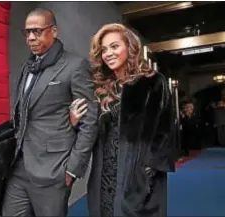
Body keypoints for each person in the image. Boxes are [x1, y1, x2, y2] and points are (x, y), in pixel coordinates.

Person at [69, 23, 175, 217]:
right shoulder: (101, 89)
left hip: (137, 174)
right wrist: (75, 122)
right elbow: (92, 132)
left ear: (130, 47)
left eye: (114, 46)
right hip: (104, 173)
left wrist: (147, 171)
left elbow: (165, 130)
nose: (108, 53)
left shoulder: (152, 83)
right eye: (104, 50)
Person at [2, 8, 98, 216]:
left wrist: (73, 168)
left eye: (37, 31)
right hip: (19, 167)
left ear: (53, 31)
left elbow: (90, 121)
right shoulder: (27, 67)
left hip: (53, 169)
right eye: (27, 32)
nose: (30, 38)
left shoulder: (75, 66)